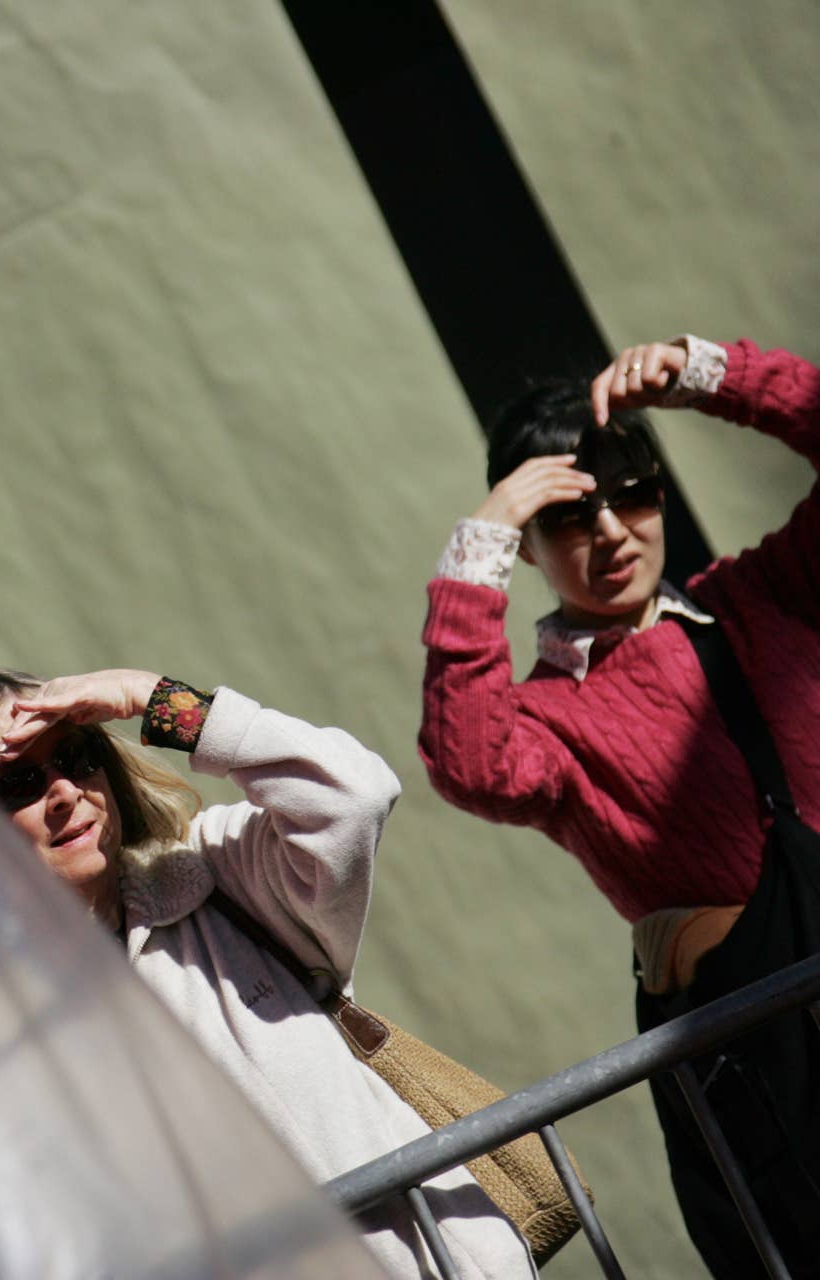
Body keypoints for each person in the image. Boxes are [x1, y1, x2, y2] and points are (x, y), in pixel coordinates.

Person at [419, 335, 820, 1275]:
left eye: (632, 493)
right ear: (528, 548)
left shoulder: (759, 599)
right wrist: (477, 546)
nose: (611, 531)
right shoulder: (551, 717)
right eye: (566, 516)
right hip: (772, 1081)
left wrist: (709, 374)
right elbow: (468, 763)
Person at [0, 667, 535, 1280]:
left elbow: (357, 794)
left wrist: (152, 698)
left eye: (78, 758)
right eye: (20, 783)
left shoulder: (214, 870)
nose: (64, 793)